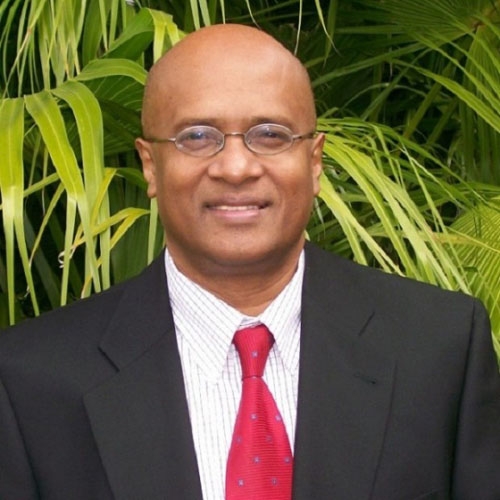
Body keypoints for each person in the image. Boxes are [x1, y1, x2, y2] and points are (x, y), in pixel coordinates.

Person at [0, 23, 499, 500]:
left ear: (315, 161)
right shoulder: (30, 381)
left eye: (270, 134)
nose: (236, 168)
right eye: (198, 136)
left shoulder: (439, 348)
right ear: (150, 165)